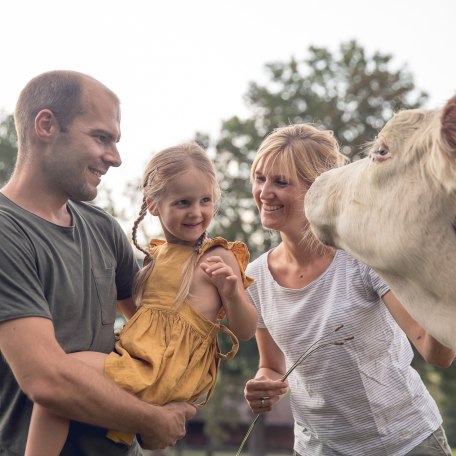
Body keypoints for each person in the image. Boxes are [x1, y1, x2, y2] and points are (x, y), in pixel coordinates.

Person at [0, 70, 196, 456]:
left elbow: (154, 327)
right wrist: (150, 419)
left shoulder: (102, 225)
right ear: (47, 125)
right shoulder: (7, 233)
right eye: (101, 138)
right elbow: (47, 381)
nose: (116, 158)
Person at [25, 142, 259, 455]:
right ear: (153, 205)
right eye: (183, 202)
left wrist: (232, 293)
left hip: (164, 370)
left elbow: (245, 330)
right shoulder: (155, 255)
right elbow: (142, 318)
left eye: (206, 200)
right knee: (62, 392)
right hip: (144, 360)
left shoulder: (217, 256)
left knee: (61, 378)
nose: (197, 212)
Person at [243, 124, 455, 456]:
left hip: (404, 443)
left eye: (280, 182)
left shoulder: (362, 259)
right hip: (317, 448)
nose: (264, 192)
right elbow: (272, 364)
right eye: (260, 178)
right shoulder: (255, 278)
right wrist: (263, 385)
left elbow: (434, 352)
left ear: (318, 188)